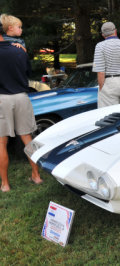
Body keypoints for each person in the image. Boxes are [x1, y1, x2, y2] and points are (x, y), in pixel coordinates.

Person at [0, 19, 42, 192]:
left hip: (2, 99)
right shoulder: (20, 51)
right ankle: (36, 176)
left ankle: (5, 184)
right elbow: (27, 73)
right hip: (21, 97)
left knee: (1, 143)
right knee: (27, 138)